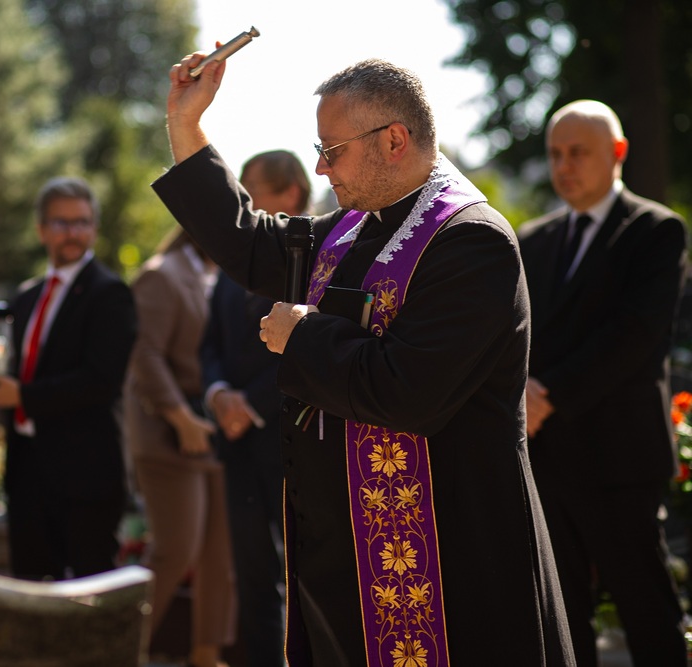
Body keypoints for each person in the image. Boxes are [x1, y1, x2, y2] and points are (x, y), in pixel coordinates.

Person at [153, 56, 575, 666]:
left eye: (332, 149)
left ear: (394, 140)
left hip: (444, 559)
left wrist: (302, 337)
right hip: (345, 558)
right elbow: (249, 239)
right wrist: (185, 123)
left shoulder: (472, 241)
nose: (320, 166)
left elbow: (408, 390)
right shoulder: (354, 227)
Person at [518, 100, 688, 666]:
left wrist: (546, 396)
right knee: (562, 621)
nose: (565, 166)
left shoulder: (654, 230)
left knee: (648, 613)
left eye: (579, 153)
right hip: (548, 457)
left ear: (617, 153)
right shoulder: (533, 240)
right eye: (556, 154)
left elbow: (635, 337)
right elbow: (516, 330)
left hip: (621, 460)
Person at [0, 176, 136, 581]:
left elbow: (101, 381)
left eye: (82, 222)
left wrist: (24, 397)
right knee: (30, 593)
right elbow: (4, 368)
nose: (73, 232)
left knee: (89, 599)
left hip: (85, 476)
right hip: (28, 472)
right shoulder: (27, 296)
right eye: (61, 223)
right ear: (41, 229)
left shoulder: (110, 293)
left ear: (94, 228)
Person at [200, 149, 310, 667]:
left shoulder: (314, 258)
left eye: (250, 186)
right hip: (235, 441)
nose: (240, 199)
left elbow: (314, 346)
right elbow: (209, 345)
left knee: (305, 576)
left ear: (289, 193)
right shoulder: (231, 262)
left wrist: (255, 405)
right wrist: (219, 395)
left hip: (293, 442)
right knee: (251, 576)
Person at [123, 228, 235, 667]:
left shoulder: (223, 274)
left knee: (220, 554)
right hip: (167, 435)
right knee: (177, 550)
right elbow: (145, 354)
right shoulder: (160, 275)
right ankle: (122, 647)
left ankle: (206, 654)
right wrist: (180, 418)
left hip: (214, 432)